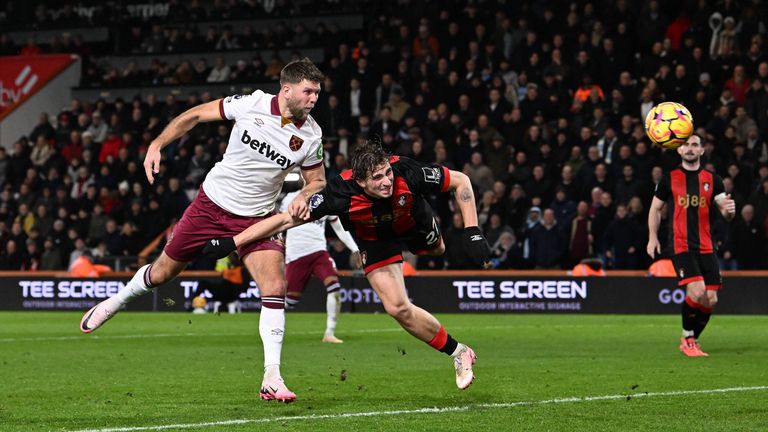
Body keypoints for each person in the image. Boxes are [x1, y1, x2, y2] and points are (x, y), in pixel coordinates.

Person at [79, 58, 327, 403]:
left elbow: (317, 180)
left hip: (257, 219)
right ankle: (117, 300)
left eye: (317, 92)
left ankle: (272, 375)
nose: (315, 98)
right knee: (163, 273)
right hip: (209, 207)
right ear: (286, 89)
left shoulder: (311, 134)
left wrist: (304, 193)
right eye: (309, 91)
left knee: (275, 285)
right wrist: (157, 144)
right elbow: (194, 115)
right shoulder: (250, 104)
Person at [202, 142, 491, 390]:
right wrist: (234, 241)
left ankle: (430, 242)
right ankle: (460, 352)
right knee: (397, 308)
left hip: (413, 222)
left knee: (437, 249)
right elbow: (286, 220)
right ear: (361, 181)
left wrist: (472, 230)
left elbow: (461, 181)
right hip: (376, 240)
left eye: (387, 173)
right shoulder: (338, 193)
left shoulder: (406, 171)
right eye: (377, 178)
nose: (387, 181)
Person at [647, 134, 736, 357]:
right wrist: (652, 237)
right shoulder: (669, 179)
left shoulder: (713, 179)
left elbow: (724, 210)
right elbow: (655, 209)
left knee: (711, 299)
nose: (689, 148)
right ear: (678, 150)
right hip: (681, 245)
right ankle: (687, 339)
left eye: (694, 145)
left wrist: (729, 211)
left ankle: (692, 339)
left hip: (706, 246)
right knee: (697, 290)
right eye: (685, 145)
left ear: (701, 151)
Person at [279, 188, 362, 344]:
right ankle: (270, 322)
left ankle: (329, 333)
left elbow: (339, 227)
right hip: (296, 255)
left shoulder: (325, 198)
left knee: (334, 287)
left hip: (319, 252)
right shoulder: (290, 197)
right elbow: (280, 223)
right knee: (290, 301)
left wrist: (355, 248)